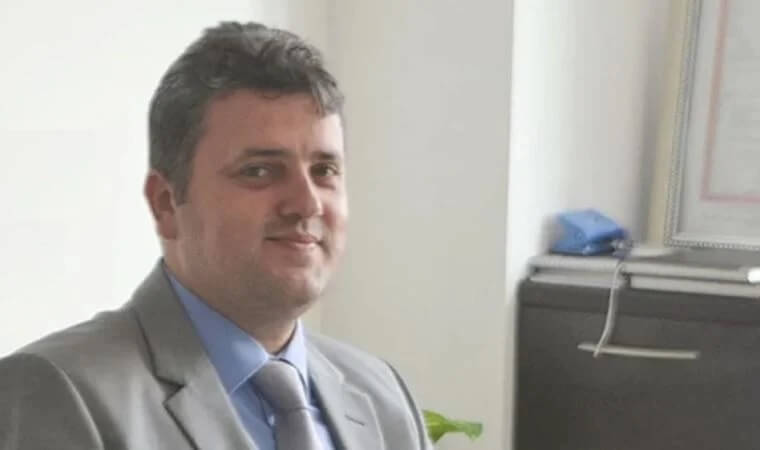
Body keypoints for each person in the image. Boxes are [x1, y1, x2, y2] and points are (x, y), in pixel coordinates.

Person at [0, 22, 432, 450]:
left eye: (325, 170)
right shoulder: (58, 391)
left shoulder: (382, 395)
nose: (307, 204)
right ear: (166, 203)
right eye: (259, 171)